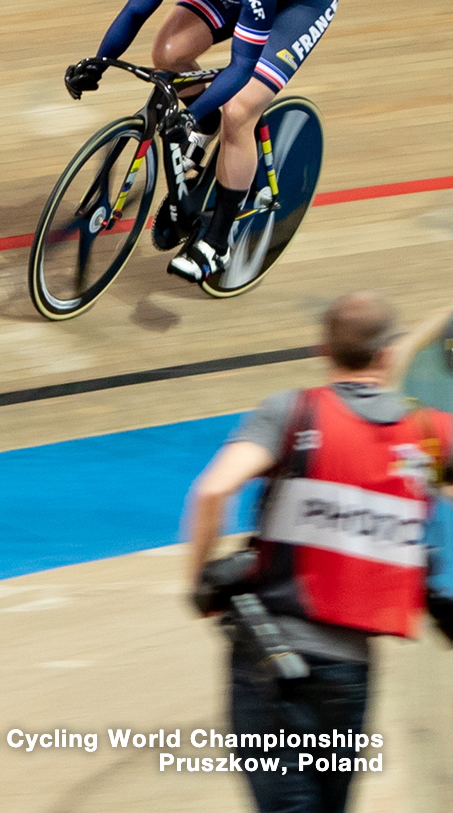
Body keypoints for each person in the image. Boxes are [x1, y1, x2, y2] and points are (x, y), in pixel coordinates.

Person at [185, 292, 453, 813]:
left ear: (323, 349)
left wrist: (202, 582)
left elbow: (213, 490)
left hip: (272, 658)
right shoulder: (424, 438)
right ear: (390, 354)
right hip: (349, 671)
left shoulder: (294, 413)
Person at [64, 0, 339, 283]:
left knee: (241, 110)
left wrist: (187, 115)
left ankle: (218, 241)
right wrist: (99, 62)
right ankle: (206, 120)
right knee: (168, 53)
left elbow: (241, 67)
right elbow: (136, 10)